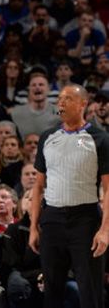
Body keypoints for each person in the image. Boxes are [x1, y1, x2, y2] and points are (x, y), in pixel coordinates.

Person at [29, 84, 109, 308]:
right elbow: (38, 187)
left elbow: (108, 188)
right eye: (60, 99)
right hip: (52, 219)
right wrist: (34, 227)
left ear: (83, 104)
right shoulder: (48, 136)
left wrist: (105, 230)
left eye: (68, 99)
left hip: (86, 220)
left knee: (90, 292)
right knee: (51, 292)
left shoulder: (100, 138)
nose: (61, 103)